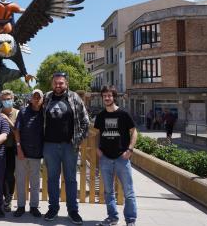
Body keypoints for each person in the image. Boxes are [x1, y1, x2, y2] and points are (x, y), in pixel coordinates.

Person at [43, 72, 89, 224]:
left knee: (70, 179)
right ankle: (53, 208)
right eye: (56, 83)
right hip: (50, 146)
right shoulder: (47, 97)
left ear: (66, 84)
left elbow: (85, 121)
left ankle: (73, 211)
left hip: (69, 146)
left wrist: (78, 139)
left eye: (61, 83)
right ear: (52, 84)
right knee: (52, 179)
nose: (58, 85)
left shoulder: (74, 97)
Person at [94, 86, 138, 226]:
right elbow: (97, 133)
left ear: (114, 97)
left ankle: (130, 220)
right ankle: (112, 218)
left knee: (128, 191)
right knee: (108, 191)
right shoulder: (101, 116)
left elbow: (134, 132)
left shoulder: (123, 114)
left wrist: (130, 149)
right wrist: (97, 148)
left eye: (109, 95)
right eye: (104, 96)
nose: (107, 98)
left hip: (122, 158)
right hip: (105, 158)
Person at [13, 89, 44, 218]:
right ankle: (20, 206)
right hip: (22, 153)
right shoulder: (23, 112)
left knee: (35, 182)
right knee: (20, 181)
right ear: (31, 98)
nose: (36, 99)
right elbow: (16, 130)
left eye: (39, 97)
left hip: (37, 153)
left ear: (42, 99)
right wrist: (19, 148)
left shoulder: (45, 112)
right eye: (34, 97)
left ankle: (33, 207)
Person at [0, 89, 19, 212]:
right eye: (4, 99)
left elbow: (18, 130)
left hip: (12, 148)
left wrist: (7, 119)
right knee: (0, 174)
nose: (7, 101)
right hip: (0, 148)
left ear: (13, 99)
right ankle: (3, 197)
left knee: (10, 174)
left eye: (9, 99)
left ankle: (9, 197)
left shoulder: (18, 113)